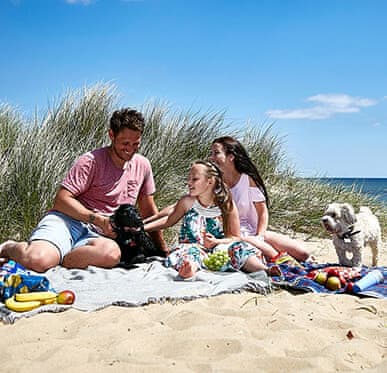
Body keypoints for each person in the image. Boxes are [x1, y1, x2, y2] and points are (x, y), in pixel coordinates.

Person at [0, 108, 167, 272]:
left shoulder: (142, 165)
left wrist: (163, 250)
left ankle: (62, 258)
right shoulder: (91, 161)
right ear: (111, 135)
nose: (130, 148)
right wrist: (99, 220)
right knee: (38, 260)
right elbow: (61, 200)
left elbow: (148, 209)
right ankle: (9, 247)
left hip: (99, 236)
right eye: (125, 143)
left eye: (135, 143)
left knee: (111, 255)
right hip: (68, 221)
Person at [144, 160, 280, 279]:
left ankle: (264, 270)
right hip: (192, 247)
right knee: (189, 254)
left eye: (194, 179)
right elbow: (168, 221)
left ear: (209, 181)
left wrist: (217, 241)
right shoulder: (187, 202)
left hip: (219, 250)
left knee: (239, 248)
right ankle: (189, 269)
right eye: (189, 179)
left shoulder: (226, 204)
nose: (189, 183)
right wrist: (142, 228)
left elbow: (235, 237)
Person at [209, 136, 311, 263]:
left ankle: (279, 257)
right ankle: (282, 262)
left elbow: (262, 211)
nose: (211, 157)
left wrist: (260, 236)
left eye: (216, 153)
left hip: (253, 231)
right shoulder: (213, 183)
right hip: (232, 235)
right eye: (211, 153)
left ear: (231, 156)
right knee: (264, 251)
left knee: (303, 253)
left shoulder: (247, 179)